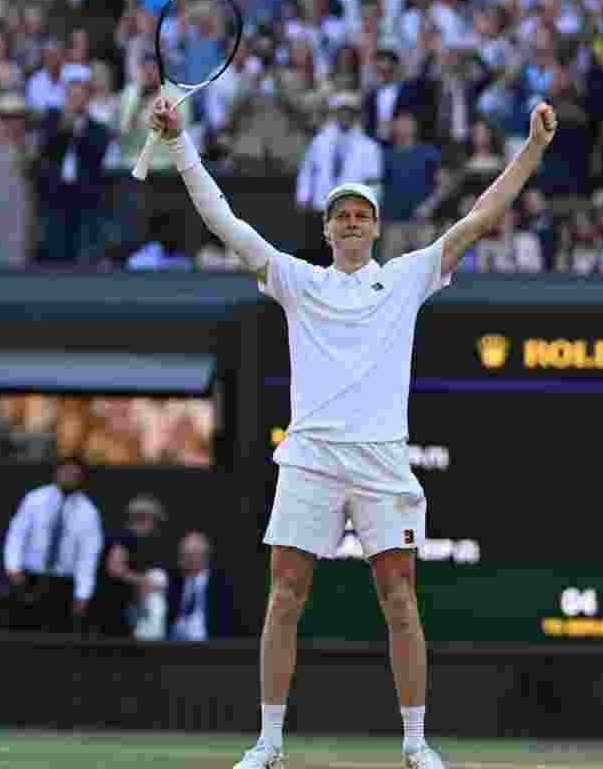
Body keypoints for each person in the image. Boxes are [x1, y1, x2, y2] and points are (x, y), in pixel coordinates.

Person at [145, 94, 556, 769]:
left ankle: (416, 744)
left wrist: (533, 150)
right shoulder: (297, 280)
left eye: (362, 215)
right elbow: (224, 220)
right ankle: (269, 744)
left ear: (375, 227)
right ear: (329, 228)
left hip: (381, 458)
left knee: (400, 599)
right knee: (284, 595)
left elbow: (482, 215)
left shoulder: (406, 277)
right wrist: (181, 143)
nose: (353, 224)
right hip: (309, 454)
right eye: (342, 216)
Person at [3, 456, 103, 634]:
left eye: (75, 474)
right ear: (57, 473)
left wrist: (83, 593)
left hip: (62, 584)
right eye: (65, 472)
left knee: (57, 636)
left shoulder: (88, 513)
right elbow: (16, 535)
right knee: (21, 632)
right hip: (27, 578)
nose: (69, 477)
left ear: (81, 478)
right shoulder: (35, 499)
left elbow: (88, 557)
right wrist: (13, 567)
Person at [92, 494, 167, 638]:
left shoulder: (133, 541)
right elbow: (114, 569)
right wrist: (144, 581)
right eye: (154, 521)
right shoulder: (124, 537)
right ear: (145, 518)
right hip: (109, 608)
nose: (155, 526)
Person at [164, 530, 241, 642]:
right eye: (186, 554)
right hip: (174, 643)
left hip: (210, 645)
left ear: (206, 555)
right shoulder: (172, 582)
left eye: (195, 554)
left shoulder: (222, 585)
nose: (190, 559)